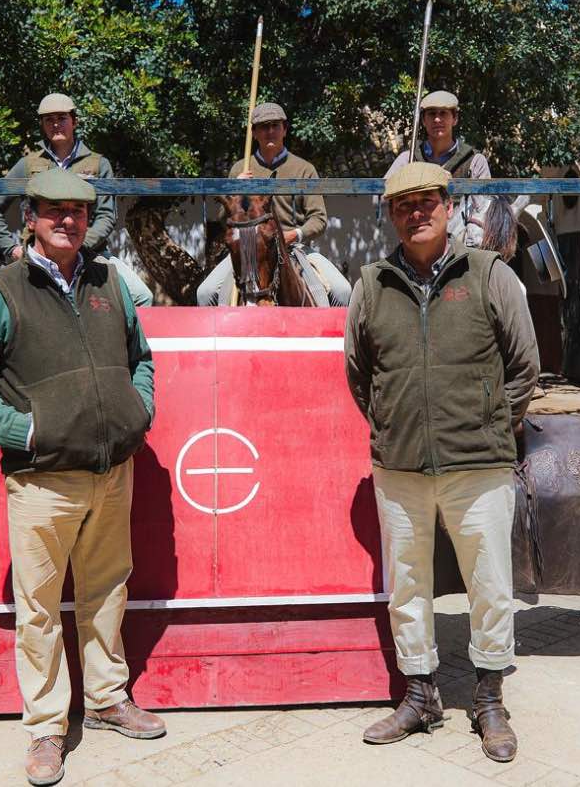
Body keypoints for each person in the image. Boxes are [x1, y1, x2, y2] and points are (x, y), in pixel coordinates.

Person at [0, 167, 163, 786]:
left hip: (110, 470)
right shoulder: (0, 291)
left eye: (77, 211)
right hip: (42, 478)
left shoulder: (111, 283)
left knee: (106, 591)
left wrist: (138, 408)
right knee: (39, 607)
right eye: (53, 211)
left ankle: (105, 699)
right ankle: (45, 727)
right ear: (31, 218)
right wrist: (24, 433)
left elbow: (140, 357)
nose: (66, 220)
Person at [344, 163, 539, 762]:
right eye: (404, 204)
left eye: (427, 201)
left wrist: (482, 423)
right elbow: (358, 372)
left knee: (489, 583)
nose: (416, 211)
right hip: (400, 466)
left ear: (449, 206)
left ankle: (488, 699)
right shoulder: (372, 283)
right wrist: (392, 422)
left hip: (478, 464)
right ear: (391, 213)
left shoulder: (488, 275)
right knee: (408, 583)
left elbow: (524, 366)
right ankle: (421, 693)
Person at [0, 93, 154, 307]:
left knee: (141, 297)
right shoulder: (28, 165)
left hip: (90, 253)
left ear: (74, 121)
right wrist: (11, 248)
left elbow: (106, 216)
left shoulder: (98, 164)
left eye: (62, 118)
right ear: (42, 124)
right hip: (39, 254)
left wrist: (80, 245)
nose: (56, 125)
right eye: (49, 120)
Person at [197, 102, 351, 306]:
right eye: (263, 126)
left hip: (294, 247)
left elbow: (318, 219)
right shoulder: (240, 169)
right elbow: (224, 220)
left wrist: (295, 234)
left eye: (275, 125)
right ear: (254, 132)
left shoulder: (304, 169)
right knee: (205, 293)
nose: (270, 131)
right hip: (249, 249)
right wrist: (235, 190)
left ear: (284, 129)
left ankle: (335, 338)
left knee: (342, 291)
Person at [385, 90, 493, 248]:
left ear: (454, 118)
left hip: (462, 245)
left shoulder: (474, 162)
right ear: (423, 120)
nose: (437, 119)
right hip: (418, 243)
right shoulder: (407, 160)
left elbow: (485, 207)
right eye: (432, 114)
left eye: (443, 113)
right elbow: (383, 195)